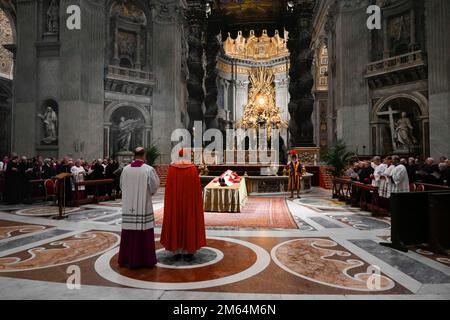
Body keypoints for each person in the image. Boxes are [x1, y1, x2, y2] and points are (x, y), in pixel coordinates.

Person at [160, 148, 206, 260]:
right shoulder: (193, 169)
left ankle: (176, 251)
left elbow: (169, 190)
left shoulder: (172, 169)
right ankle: (188, 250)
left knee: (176, 219)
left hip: (175, 203)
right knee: (189, 220)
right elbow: (197, 190)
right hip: (189, 203)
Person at [118, 147, 160, 269]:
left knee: (129, 231)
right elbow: (154, 187)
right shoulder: (148, 170)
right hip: (143, 206)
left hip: (128, 206)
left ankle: (127, 259)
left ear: (134, 155)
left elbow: (121, 186)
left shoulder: (125, 170)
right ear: (144, 155)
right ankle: (145, 260)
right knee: (144, 232)